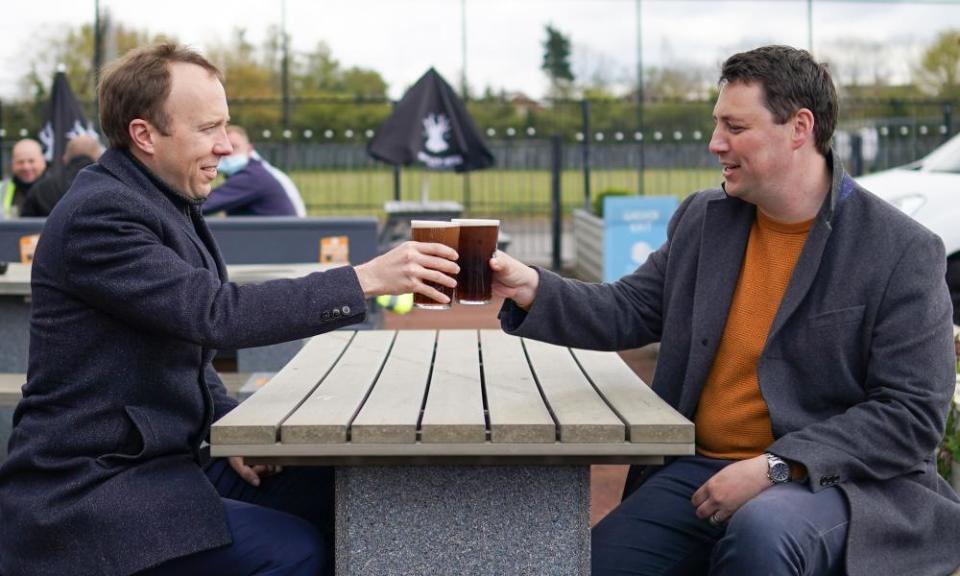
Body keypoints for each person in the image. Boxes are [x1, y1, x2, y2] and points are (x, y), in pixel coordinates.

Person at [491, 45, 960, 576]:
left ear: (799, 127)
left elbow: (911, 416)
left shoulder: (900, 249)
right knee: (595, 564)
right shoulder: (703, 219)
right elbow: (629, 307)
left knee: (762, 533)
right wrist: (528, 285)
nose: (716, 143)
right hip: (703, 473)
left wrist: (777, 467)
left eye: (735, 128)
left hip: (838, 483)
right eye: (717, 125)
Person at [0, 43, 459, 576]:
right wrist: (367, 278)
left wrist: (229, 423)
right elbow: (215, 314)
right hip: (91, 489)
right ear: (144, 134)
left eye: (226, 126)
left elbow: (184, 342)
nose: (225, 146)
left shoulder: (158, 196)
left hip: (166, 461)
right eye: (207, 129)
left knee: (344, 490)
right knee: (292, 550)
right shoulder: (102, 215)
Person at [202, 125, 305, 216]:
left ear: (249, 149)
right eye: (221, 147)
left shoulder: (251, 177)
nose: (227, 152)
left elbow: (203, 206)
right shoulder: (255, 171)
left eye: (234, 147)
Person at [20, 134, 103, 217]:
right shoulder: (109, 185)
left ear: (65, 158)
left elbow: (25, 226)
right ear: (99, 158)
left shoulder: (40, 190)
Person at [1, 138, 47, 217]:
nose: (26, 167)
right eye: (20, 162)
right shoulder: (2, 189)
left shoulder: (55, 189)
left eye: (31, 161)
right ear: (12, 164)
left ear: (43, 162)